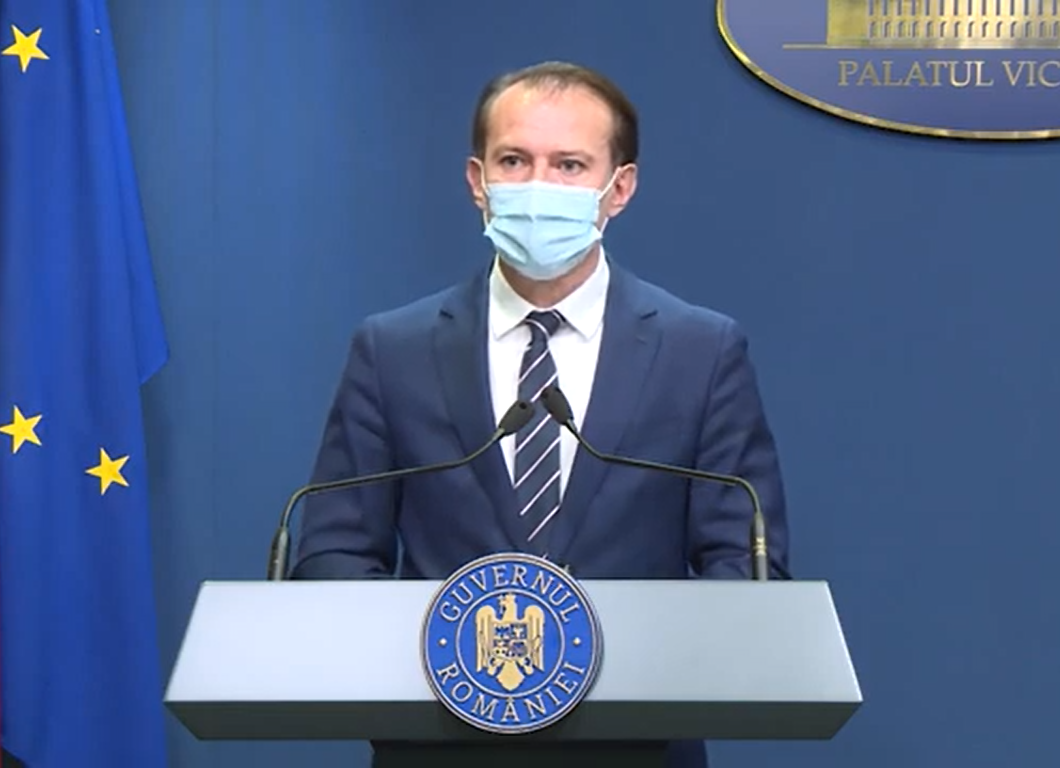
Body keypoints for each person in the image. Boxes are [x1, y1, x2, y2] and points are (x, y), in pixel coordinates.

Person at [291, 61, 792, 768]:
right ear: (477, 181)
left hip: (637, 750)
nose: (537, 186)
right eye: (514, 161)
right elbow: (333, 555)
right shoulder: (392, 350)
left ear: (620, 188)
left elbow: (745, 564)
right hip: (439, 749)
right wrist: (445, 664)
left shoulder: (700, 351)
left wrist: (628, 664)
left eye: (569, 165)